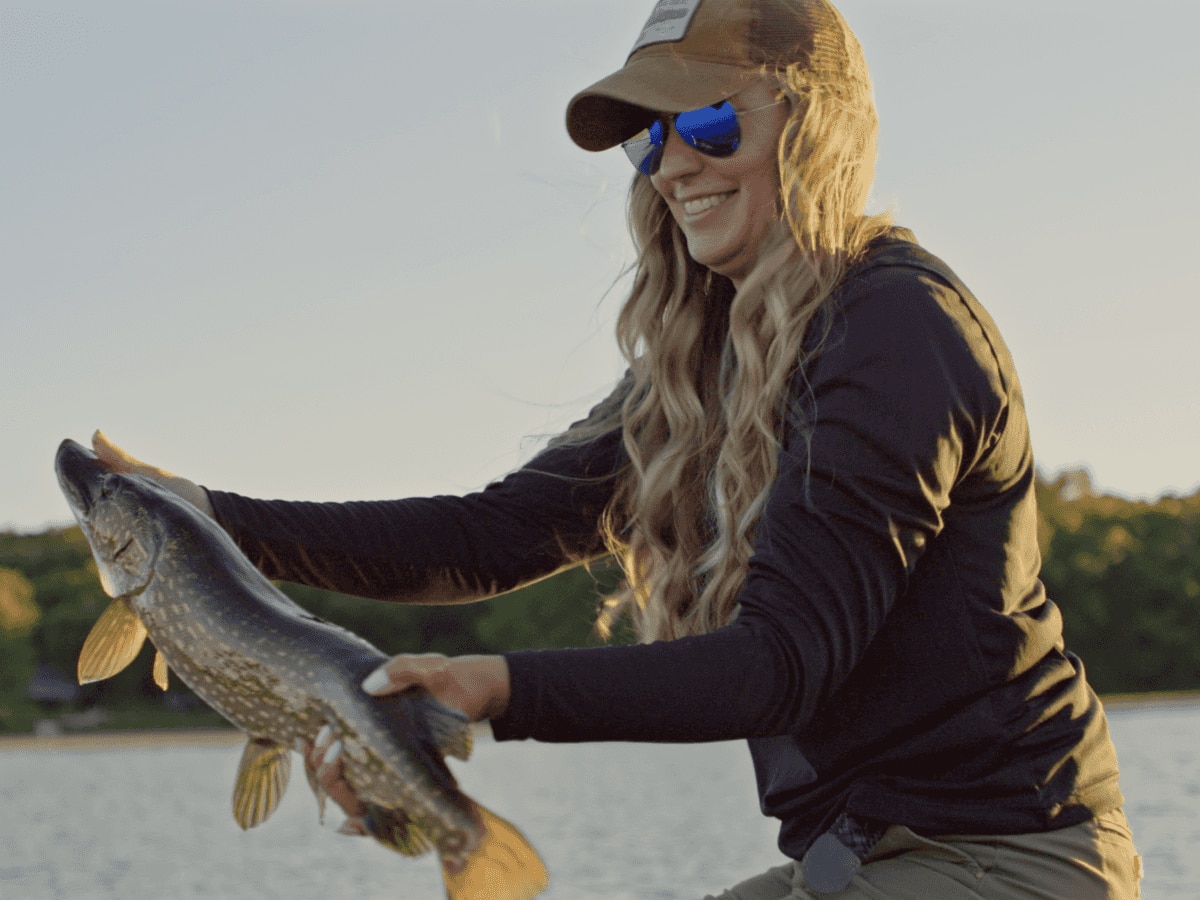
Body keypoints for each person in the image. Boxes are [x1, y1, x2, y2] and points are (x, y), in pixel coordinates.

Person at [93, 0, 1143, 896]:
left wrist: (492, 689)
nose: (674, 162)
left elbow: (779, 666)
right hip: (868, 861)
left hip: (1011, 861)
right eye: (650, 137)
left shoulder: (897, 329)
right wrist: (195, 516)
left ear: (819, 130)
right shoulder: (710, 365)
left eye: (712, 121)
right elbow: (489, 534)